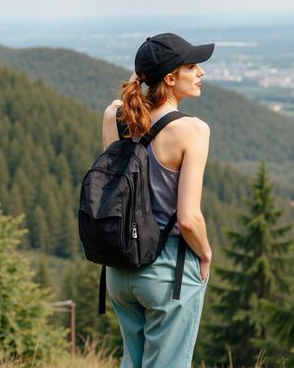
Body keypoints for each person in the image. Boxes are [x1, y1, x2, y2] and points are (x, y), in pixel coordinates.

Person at [102, 32, 214, 367]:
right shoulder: (192, 130)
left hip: (119, 267)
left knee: (132, 361)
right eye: (191, 66)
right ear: (169, 77)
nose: (201, 73)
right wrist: (206, 255)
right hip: (168, 269)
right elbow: (188, 218)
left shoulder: (115, 117)